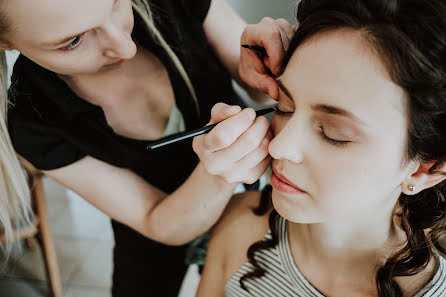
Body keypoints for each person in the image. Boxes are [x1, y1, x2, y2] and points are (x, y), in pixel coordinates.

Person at [1, 0, 294, 295]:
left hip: (242, 203)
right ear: (4, 41)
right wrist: (218, 176)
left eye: (117, 3)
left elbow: (264, 90)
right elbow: (156, 220)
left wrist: (272, 65)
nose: (125, 47)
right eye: (73, 41)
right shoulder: (33, 120)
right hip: (152, 234)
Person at [197, 0, 446, 296]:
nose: (279, 146)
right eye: (285, 106)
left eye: (333, 133)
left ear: (423, 169)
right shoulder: (239, 227)